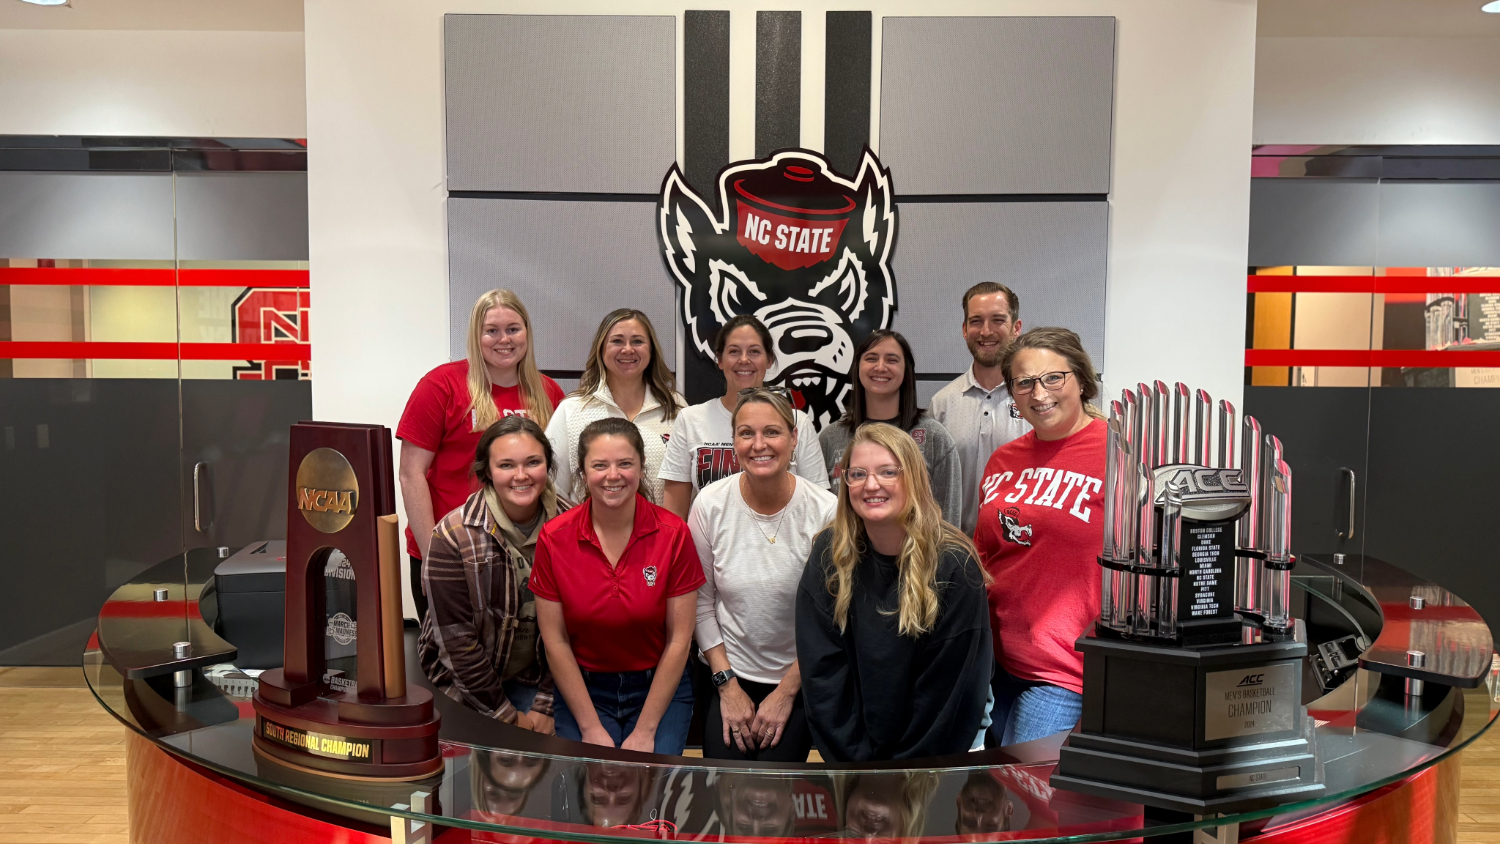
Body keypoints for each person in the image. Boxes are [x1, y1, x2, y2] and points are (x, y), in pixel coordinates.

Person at [796, 423, 991, 761]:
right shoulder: (830, 553)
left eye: (888, 472)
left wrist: (899, 778)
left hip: (933, 759)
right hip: (854, 761)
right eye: (857, 474)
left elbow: (947, 694)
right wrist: (859, 769)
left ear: (913, 478)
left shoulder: (954, 564)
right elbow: (823, 673)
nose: (871, 485)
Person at [532, 418, 704, 754]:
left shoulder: (673, 534)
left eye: (625, 464)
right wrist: (589, 727)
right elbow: (554, 640)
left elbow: (680, 639)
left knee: (653, 791)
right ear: (582, 473)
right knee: (592, 796)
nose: (613, 475)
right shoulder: (555, 537)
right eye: (600, 465)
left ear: (641, 468)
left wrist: (646, 730)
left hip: (659, 687)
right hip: (584, 689)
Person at [689, 387, 837, 761]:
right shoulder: (709, 504)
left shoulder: (826, 511)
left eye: (771, 432)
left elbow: (832, 617)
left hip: (798, 678)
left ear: (793, 439)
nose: (759, 445)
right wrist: (727, 686)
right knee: (723, 792)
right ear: (734, 441)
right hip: (727, 673)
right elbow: (701, 605)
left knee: (776, 800)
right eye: (746, 433)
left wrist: (786, 693)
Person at [399, 290, 565, 623]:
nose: (504, 339)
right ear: (477, 336)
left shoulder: (548, 393)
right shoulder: (441, 386)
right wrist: (436, 559)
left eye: (513, 329)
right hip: (454, 551)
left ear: (527, 333)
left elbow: (555, 478)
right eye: (492, 330)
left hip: (525, 553)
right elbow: (410, 474)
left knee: (525, 662)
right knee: (457, 663)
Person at [975, 327, 1106, 746]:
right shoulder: (1003, 459)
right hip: (995, 660)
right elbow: (985, 554)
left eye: (1054, 377)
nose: (1039, 392)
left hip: (1066, 667)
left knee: (1026, 795)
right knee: (993, 795)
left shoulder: (1122, 454)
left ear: (1082, 381)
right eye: (1024, 382)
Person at [418, 415, 565, 732]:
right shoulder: (452, 536)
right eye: (506, 465)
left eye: (533, 462)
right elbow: (456, 642)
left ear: (548, 465)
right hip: (461, 679)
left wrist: (547, 705)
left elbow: (580, 626)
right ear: (486, 471)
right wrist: (506, 717)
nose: (521, 475)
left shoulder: (574, 524)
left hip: (539, 678)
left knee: (549, 765)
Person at [659, 315, 828, 519]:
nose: (744, 359)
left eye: (754, 351)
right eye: (734, 351)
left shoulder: (796, 421)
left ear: (770, 360)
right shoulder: (690, 419)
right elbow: (674, 516)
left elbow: (819, 505)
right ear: (720, 360)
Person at [818, 330, 963, 526]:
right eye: (871, 358)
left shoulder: (934, 437)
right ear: (857, 367)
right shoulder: (830, 437)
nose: (880, 367)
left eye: (892, 360)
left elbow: (948, 522)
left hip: (920, 555)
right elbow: (820, 515)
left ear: (906, 370)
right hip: (846, 554)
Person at [546, 309, 683, 504]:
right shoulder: (572, 410)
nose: (628, 349)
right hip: (587, 533)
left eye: (637, 341)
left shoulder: (676, 407)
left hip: (660, 533)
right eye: (617, 341)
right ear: (601, 349)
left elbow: (688, 484)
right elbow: (552, 488)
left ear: (651, 350)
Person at [929, 282, 1031, 538]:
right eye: (976, 321)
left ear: (1016, 328)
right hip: (955, 552)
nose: (986, 331)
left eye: (998, 320)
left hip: (1021, 550)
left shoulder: (1036, 401)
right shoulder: (941, 404)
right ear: (964, 330)